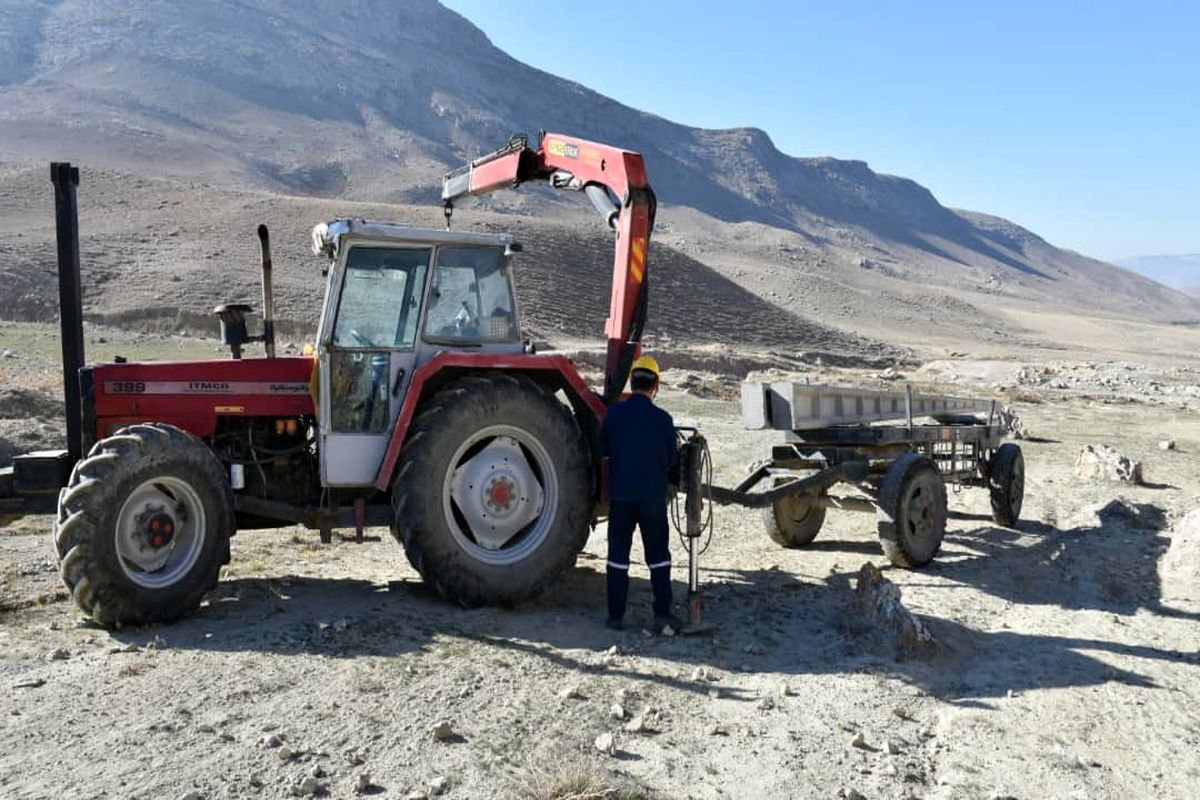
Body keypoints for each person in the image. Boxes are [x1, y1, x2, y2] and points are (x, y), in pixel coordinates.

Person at [601, 354, 683, 634]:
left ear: (631, 381)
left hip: (621, 498)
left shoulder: (614, 415)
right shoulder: (663, 420)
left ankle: (615, 616)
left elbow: (604, 450)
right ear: (655, 385)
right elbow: (673, 460)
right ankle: (662, 614)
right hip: (652, 500)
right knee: (658, 555)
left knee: (617, 556)